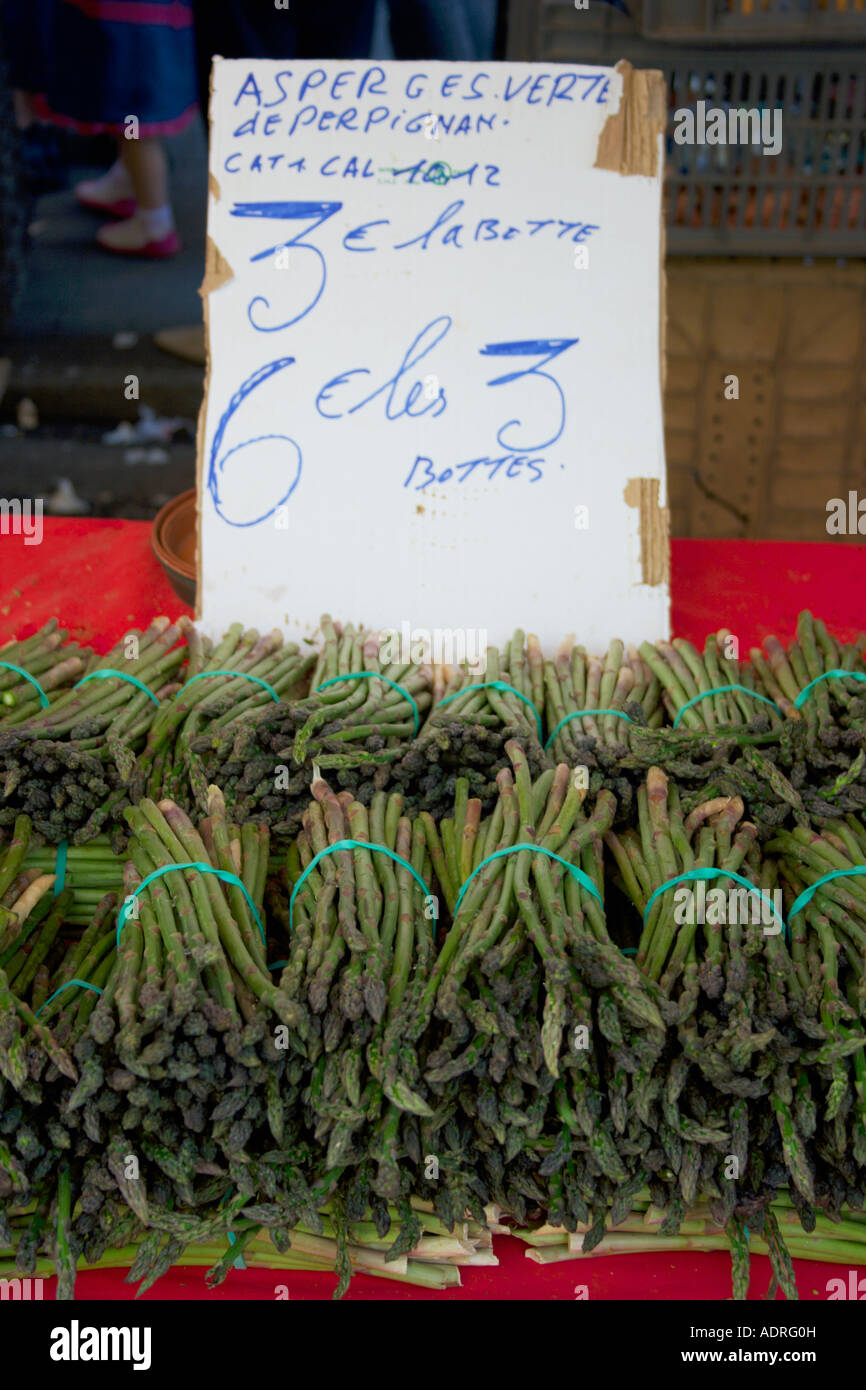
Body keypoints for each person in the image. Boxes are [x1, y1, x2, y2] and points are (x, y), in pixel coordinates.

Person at [3, 0, 198, 258]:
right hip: (153, 36)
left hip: (132, 46)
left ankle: (154, 225)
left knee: (135, 133)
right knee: (132, 126)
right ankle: (127, 181)